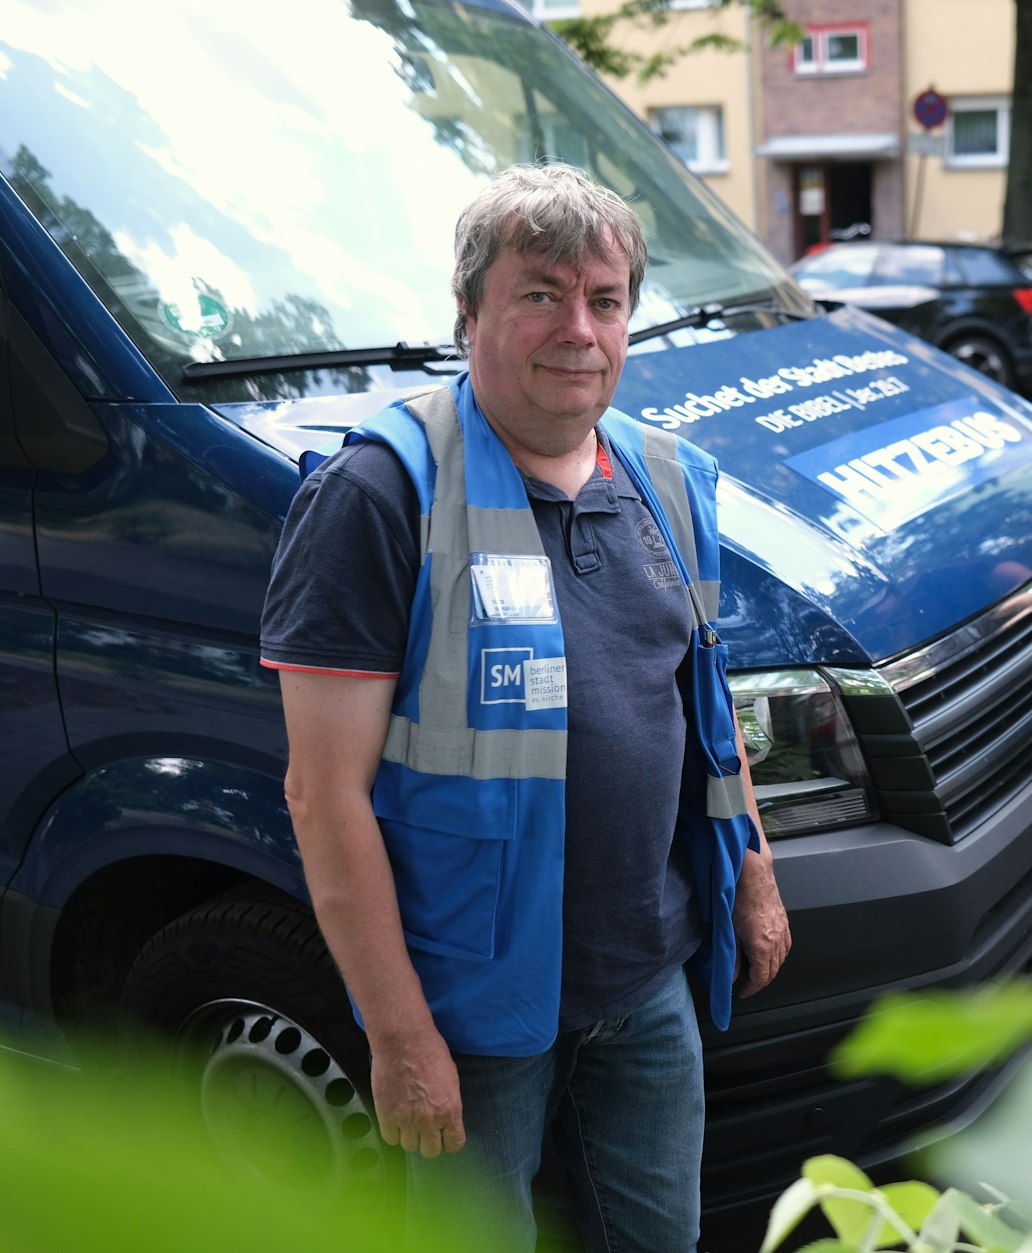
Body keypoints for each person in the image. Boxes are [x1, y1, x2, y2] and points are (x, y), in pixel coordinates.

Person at [260, 163, 791, 1252]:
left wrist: (754, 867)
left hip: (646, 976)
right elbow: (322, 796)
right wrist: (399, 1034)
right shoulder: (380, 494)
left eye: (604, 300)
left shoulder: (664, 477)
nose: (578, 330)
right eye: (540, 293)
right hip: (469, 1001)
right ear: (470, 313)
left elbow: (699, 696)